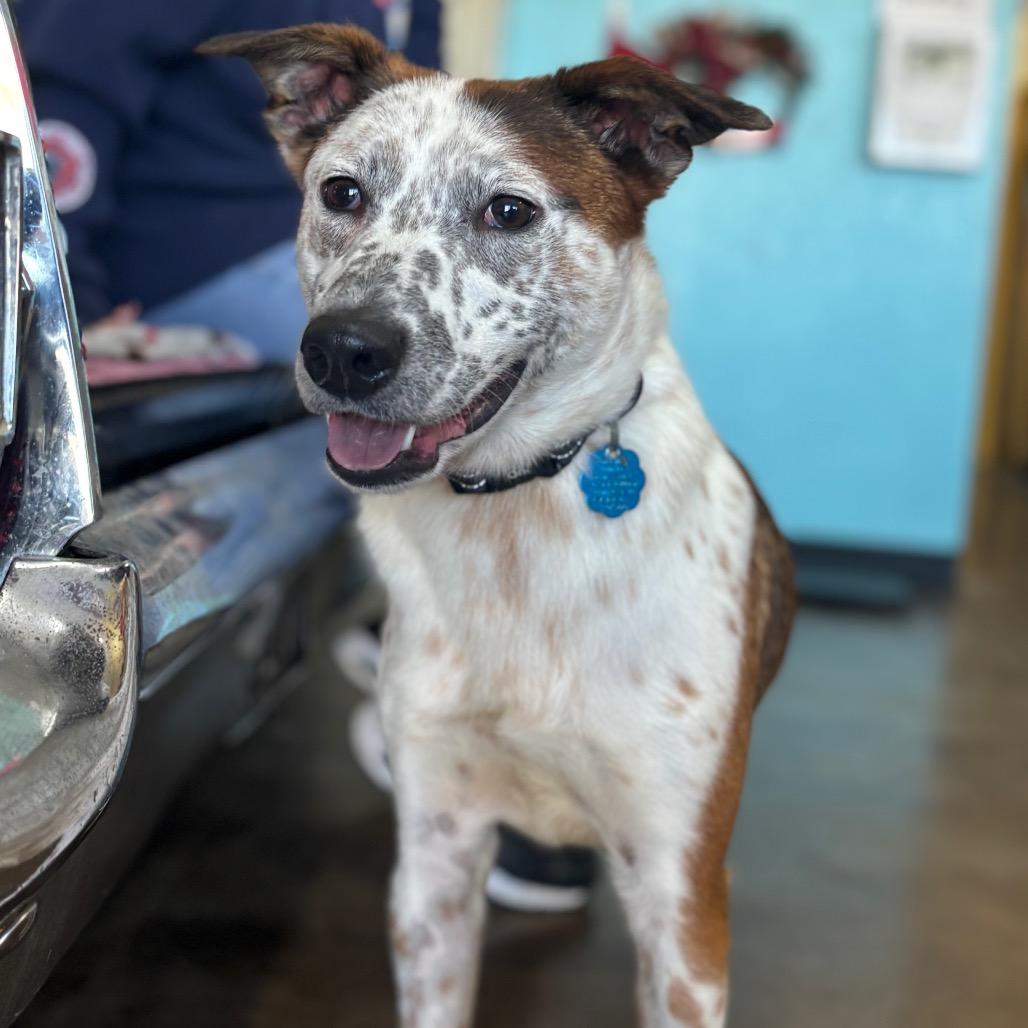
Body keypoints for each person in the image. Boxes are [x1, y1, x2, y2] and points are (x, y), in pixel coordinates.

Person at [20, 0, 597, 912]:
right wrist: (67, 307)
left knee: (555, 364)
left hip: (313, 233)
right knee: (474, 364)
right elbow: (57, 93)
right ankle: (452, 694)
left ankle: (448, 670)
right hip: (178, 257)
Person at [17, 0, 440, 360]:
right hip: (180, 251)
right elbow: (67, 93)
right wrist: (71, 305)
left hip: (325, 230)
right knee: (418, 350)